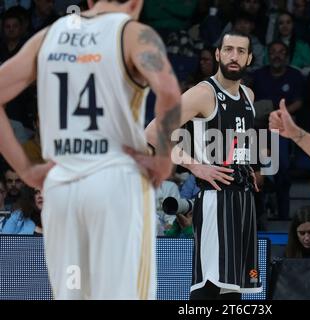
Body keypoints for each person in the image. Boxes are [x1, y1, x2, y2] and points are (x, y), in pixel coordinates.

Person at [0, 0, 181, 300]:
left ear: (89, 2)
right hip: (116, 182)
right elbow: (171, 93)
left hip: (61, 189)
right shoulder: (133, 34)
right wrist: (163, 160)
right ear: (136, 2)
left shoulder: (48, 36)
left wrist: (26, 169)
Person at [143, 30, 262, 300]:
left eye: (241, 51)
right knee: (209, 286)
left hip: (242, 200)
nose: (234, 56)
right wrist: (196, 167)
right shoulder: (202, 94)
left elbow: (237, 139)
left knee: (233, 289)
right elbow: (152, 132)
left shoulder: (249, 96)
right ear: (218, 54)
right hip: (214, 199)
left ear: (250, 58)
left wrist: (248, 168)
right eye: (228, 49)